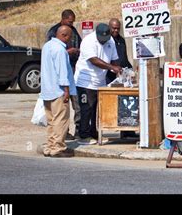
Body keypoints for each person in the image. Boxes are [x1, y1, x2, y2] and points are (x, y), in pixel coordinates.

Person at [75, 23, 122, 144]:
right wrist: (111, 67)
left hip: (100, 81)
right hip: (85, 82)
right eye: (101, 39)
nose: (103, 42)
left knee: (97, 109)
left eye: (105, 39)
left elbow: (115, 58)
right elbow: (94, 60)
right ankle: (83, 135)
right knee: (86, 109)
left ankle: (93, 133)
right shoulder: (88, 41)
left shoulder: (110, 40)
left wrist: (118, 68)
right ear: (96, 34)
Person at [40, 25, 76, 158]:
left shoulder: (47, 46)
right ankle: (58, 148)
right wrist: (66, 90)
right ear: (64, 35)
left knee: (51, 121)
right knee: (61, 120)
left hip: (47, 90)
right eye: (70, 36)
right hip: (58, 90)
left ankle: (50, 146)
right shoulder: (60, 50)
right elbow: (62, 72)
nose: (71, 39)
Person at [46, 9, 82, 140]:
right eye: (69, 21)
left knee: (77, 103)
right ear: (63, 19)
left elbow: (80, 44)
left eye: (73, 22)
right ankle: (63, 134)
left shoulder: (73, 31)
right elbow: (54, 54)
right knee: (61, 108)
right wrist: (68, 52)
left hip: (74, 68)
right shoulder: (53, 32)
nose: (71, 23)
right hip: (62, 74)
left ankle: (79, 130)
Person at [107, 18, 137, 139]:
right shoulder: (108, 41)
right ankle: (116, 127)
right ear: (109, 27)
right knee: (113, 103)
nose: (116, 30)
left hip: (123, 74)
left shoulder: (121, 40)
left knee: (126, 101)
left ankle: (127, 130)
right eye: (113, 28)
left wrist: (130, 69)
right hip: (110, 75)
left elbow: (124, 57)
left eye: (118, 28)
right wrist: (113, 69)